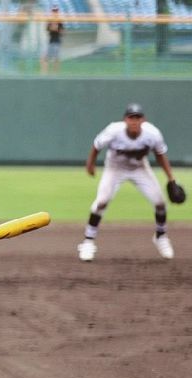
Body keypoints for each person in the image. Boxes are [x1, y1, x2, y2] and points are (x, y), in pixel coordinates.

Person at [78, 103, 179, 262]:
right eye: (131, 117)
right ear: (125, 119)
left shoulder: (152, 134)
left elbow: (160, 154)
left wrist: (171, 178)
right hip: (115, 168)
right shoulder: (114, 130)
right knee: (101, 202)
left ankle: (161, 236)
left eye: (137, 118)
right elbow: (97, 145)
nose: (134, 121)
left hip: (140, 168)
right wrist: (90, 164)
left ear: (143, 120)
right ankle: (88, 242)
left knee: (160, 203)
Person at [41, 6, 64, 74]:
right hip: (51, 42)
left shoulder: (60, 21)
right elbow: (48, 29)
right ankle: (44, 74)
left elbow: (62, 32)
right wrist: (54, 27)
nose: (55, 12)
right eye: (53, 11)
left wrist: (56, 28)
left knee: (56, 59)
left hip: (57, 42)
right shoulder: (50, 21)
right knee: (44, 58)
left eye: (56, 11)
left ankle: (55, 74)